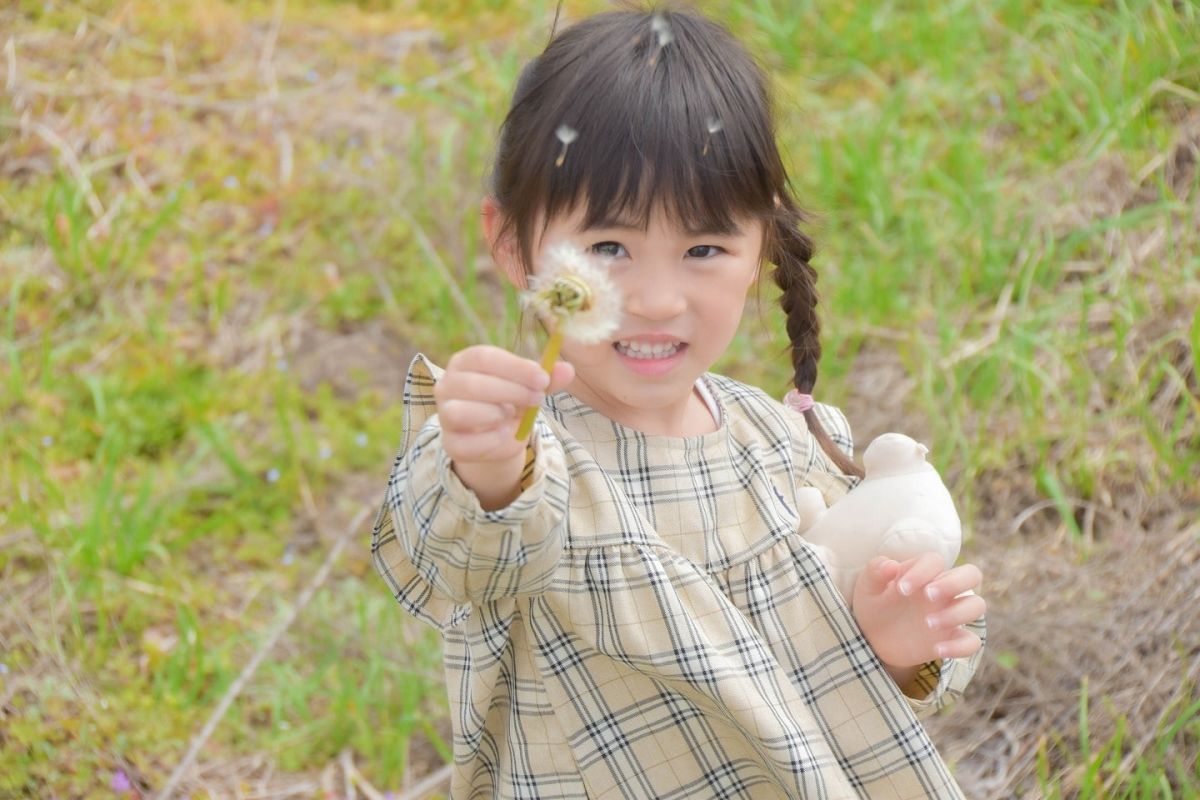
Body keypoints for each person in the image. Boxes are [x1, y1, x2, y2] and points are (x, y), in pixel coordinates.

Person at [372, 8, 986, 798]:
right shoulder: (526, 459)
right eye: (607, 248)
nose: (658, 300)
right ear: (515, 246)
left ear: (760, 243)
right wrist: (486, 465)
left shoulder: (788, 446)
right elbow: (453, 555)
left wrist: (897, 644)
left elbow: (861, 674)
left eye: (703, 249)